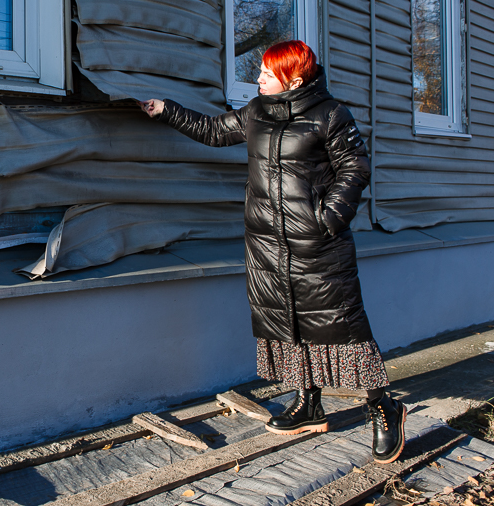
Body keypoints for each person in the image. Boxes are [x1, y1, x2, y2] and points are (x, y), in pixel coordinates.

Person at [138, 40, 406, 464]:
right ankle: (309, 404)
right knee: (286, 323)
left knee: (342, 326)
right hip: (266, 244)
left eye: (267, 73)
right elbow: (213, 131)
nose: (258, 79)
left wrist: (329, 218)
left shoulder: (331, 114)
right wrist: (166, 109)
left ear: (294, 80)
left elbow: (355, 167)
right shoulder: (256, 112)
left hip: (317, 243)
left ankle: (383, 406)